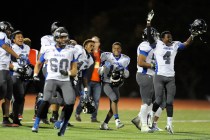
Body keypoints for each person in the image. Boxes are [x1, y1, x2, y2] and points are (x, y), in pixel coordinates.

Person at [146, 10, 206, 134]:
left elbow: (186, 44)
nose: (170, 37)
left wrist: (193, 35)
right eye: (168, 36)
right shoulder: (157, 45)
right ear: (162, 38)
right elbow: (149, 36)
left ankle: (169, 125)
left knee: (169, 102)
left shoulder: (175, 45)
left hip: (170, 77)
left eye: (170, 35)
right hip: (159, 76)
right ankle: (150, 117)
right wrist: (148, 22)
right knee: (158, 100)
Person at [32, 27, 78, 136]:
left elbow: (74, 70)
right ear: (56, 38)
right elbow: (38, 63)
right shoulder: (48, 49)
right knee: (46, 100)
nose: (65, 39)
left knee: (70, 102)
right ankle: (36, 123)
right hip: (51, 78)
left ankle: (64, 124)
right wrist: (35, 75)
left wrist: (68, 73)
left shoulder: (72, 50)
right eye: (62, 37)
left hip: (65, 80)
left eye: (65, 37)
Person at [131, 27, 164, 132]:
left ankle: (139, 119)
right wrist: (153, 65)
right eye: (155, 35)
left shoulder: (152, 46)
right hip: (145, 75)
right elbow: (140, 62)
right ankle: (144, 125)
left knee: (159, 100)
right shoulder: (145, 45)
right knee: (147, 101)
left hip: (151, 75)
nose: (157, 37)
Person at [0, 21, 27, 127]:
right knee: (1, 91)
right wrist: (17, 56)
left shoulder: (8, 40)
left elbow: (7, 57)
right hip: (0, 68)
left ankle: (6, 119)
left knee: (8, 96)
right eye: (8, 29)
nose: (9, 31)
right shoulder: (1, 35)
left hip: (6, 69)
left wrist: (15, 67)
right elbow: (4, 47)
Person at [99, 42, 130, 130]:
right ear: (112, 49)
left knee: (113, 106)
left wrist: (123, 70)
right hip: (106, 83)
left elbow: (127, 75)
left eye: (118, 48)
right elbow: (99, 71)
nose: (116, 50)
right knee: (114, 99)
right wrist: (104, 67)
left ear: (121, 49)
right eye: (114, 48)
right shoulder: (106, 56)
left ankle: (104, 124)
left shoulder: (125, 59)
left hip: (116, 84)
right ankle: (117, 121)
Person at [9, 30, 31, 126]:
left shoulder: (27, 47)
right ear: (13, 40)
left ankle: (14, 116)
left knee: (20, 97)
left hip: (23, 75)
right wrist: (17, 69)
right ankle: (14, 118)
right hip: (13, 74)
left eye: (22, 36)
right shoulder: (11, 48)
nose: (21, 38)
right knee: (18, 96)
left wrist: (29, 69)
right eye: (18, 37)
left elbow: (27, 61)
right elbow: (7, 62)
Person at [74, 39, 95, 122]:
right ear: (85, 46)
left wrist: (86, 88)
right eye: (91, 45)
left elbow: (84, 74)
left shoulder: (90, 59)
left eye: (93, 46)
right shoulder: (79, 50)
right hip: (68, 77)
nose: (92, 47)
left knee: (73, 100)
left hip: (77, 79)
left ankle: (63, 119)